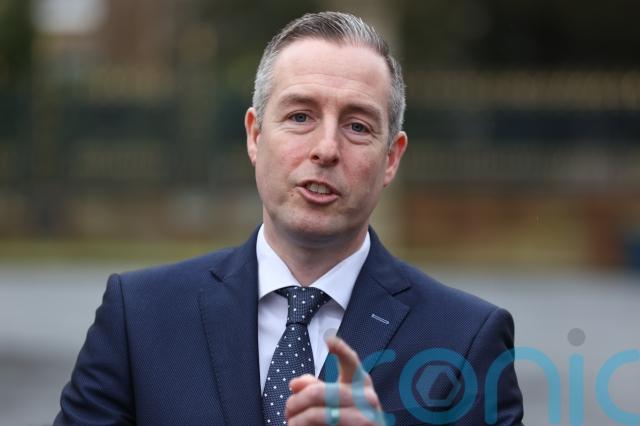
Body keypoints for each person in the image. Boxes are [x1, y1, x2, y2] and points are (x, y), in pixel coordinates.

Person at [55, 11, 523, 425]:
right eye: (300, 116)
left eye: (357, 126)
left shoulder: (465, 340)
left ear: (391, 158)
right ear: (255, 135)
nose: (326, 148)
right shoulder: (139, 317)